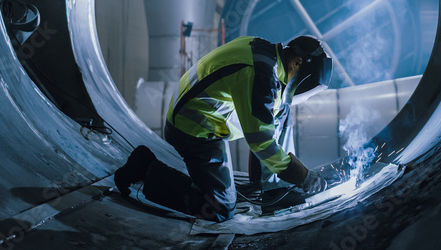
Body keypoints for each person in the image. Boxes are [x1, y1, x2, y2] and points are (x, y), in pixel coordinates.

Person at [114, 35, 332, 222]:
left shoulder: (265, 53)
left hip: (202, 109)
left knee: (280, 109)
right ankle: (145, 169)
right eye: (309, 84)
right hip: (194, 128)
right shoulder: (261, 75)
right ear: (297, 62)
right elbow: (261, 142)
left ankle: (276, 191)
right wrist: (302, 175)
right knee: (219, 208)